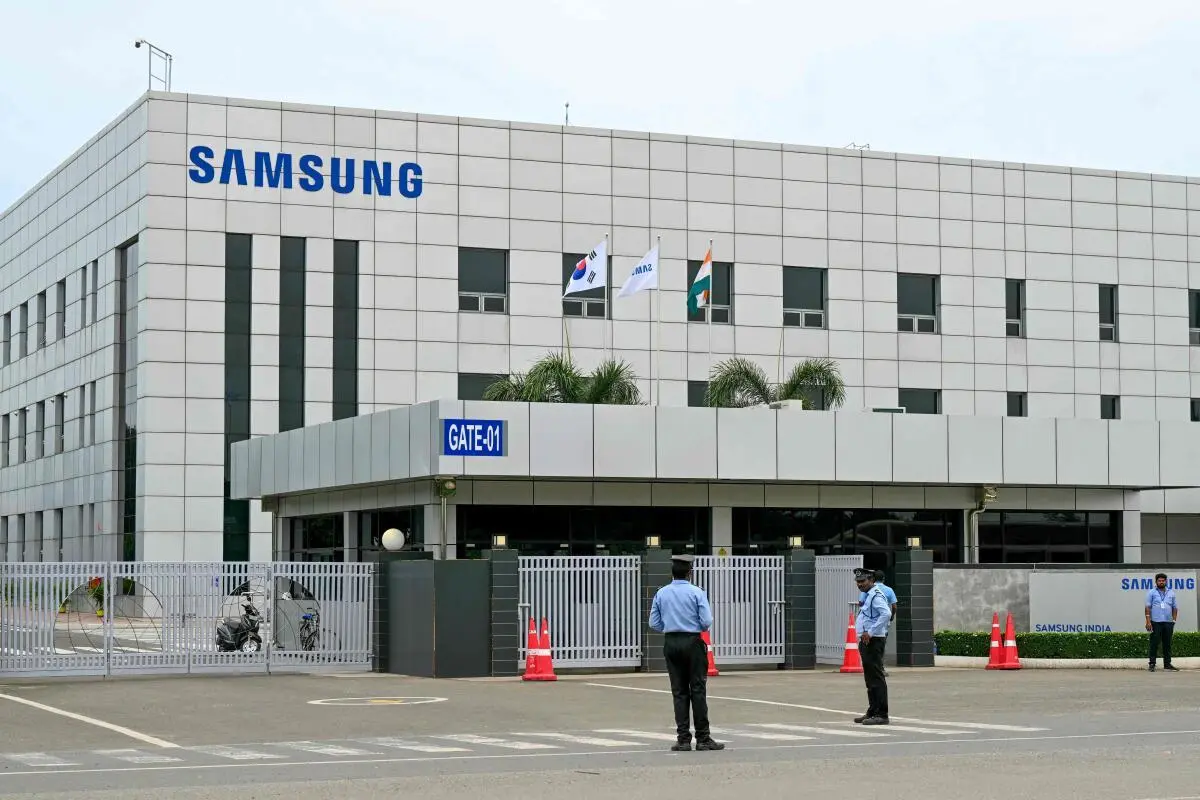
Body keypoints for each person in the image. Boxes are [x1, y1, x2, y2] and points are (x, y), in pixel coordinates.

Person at [649, 553, 725, 752]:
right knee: (697, 690)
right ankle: (703, 738)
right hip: (692, 642)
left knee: (679, 691)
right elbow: (707, 621)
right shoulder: (697, 592)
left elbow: (653, 623)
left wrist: (671, 625)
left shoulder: (661, 593)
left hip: (671, 642)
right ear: (690, 572)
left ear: (672, 573)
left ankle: (683, 739)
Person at [853, 567, 892, 725]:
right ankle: (873, 710)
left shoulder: (875, 595)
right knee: (870, 678)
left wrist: (870, 631)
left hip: (874, 640)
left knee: (876, 678)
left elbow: (886, 614)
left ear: (871, 580)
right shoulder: (868, 595)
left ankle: (882, 714)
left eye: (863, 581)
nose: (860, 584)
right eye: (858, 582)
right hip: (867, 640)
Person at [859, 569, 898, 677]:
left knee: (871, 650)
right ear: (884, 579)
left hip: (869, 629)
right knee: (881, 646)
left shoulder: (867, 590)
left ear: (872, 579)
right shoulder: (889, 590)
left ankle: (875, 669)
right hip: (882, 626)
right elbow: (894, 606)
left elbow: (861, 604)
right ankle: (880, 667)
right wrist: (892, 616)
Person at [1145, 572, 1179, 673]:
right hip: (1155, 622)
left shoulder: (1171, 593)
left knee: (1167, 644)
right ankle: (1152, 664)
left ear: (1166, 581)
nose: (1161, 582)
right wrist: (1148, 621)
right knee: (1154, 643)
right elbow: (1147, 607)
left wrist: (1173, 620)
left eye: (1163, 580)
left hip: (1168, 622)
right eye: (1159, 581)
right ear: (1156, 582)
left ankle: (1167, 665)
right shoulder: (1151, 592)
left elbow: (1175, 608)